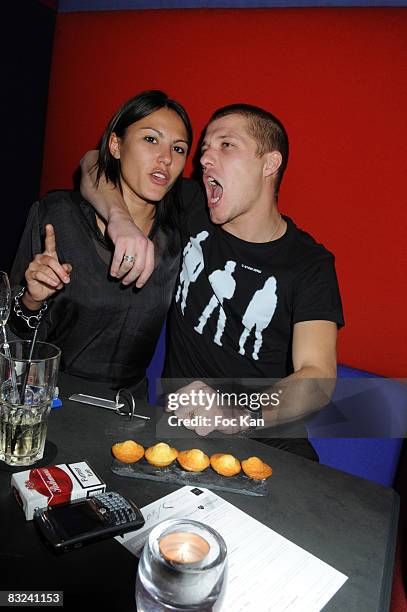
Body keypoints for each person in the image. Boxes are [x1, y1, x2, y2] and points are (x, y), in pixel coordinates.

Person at [81, 103, 344, 460]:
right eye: (204, 149)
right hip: (182, 431)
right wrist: (119, 220)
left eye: (226, 145)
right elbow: (95, 162)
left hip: (267, 444)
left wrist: (238, 414)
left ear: (269, 163)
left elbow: (318, 378)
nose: (204, 158)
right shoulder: (192, 206)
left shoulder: (309, 264)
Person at [8, 90, 197, 394]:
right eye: (151, 139)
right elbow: (11, 333)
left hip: (128, 409)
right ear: (116, 145)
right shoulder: (59, 217)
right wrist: (33, 299)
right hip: (51, 395)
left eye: (179, 148)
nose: (166, 158)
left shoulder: (181, 230)